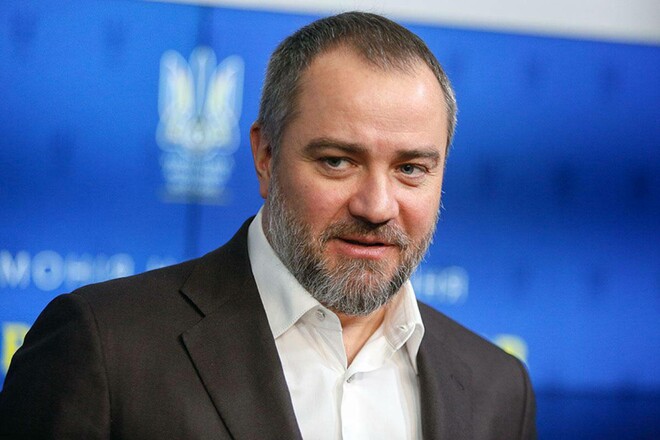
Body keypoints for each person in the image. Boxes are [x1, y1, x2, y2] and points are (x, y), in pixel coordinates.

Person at [0, 11, 536, 440]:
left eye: (411, 169)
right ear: (265, 155)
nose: (376, 207)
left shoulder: (499, 388)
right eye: (337, 161)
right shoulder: (102, 347)